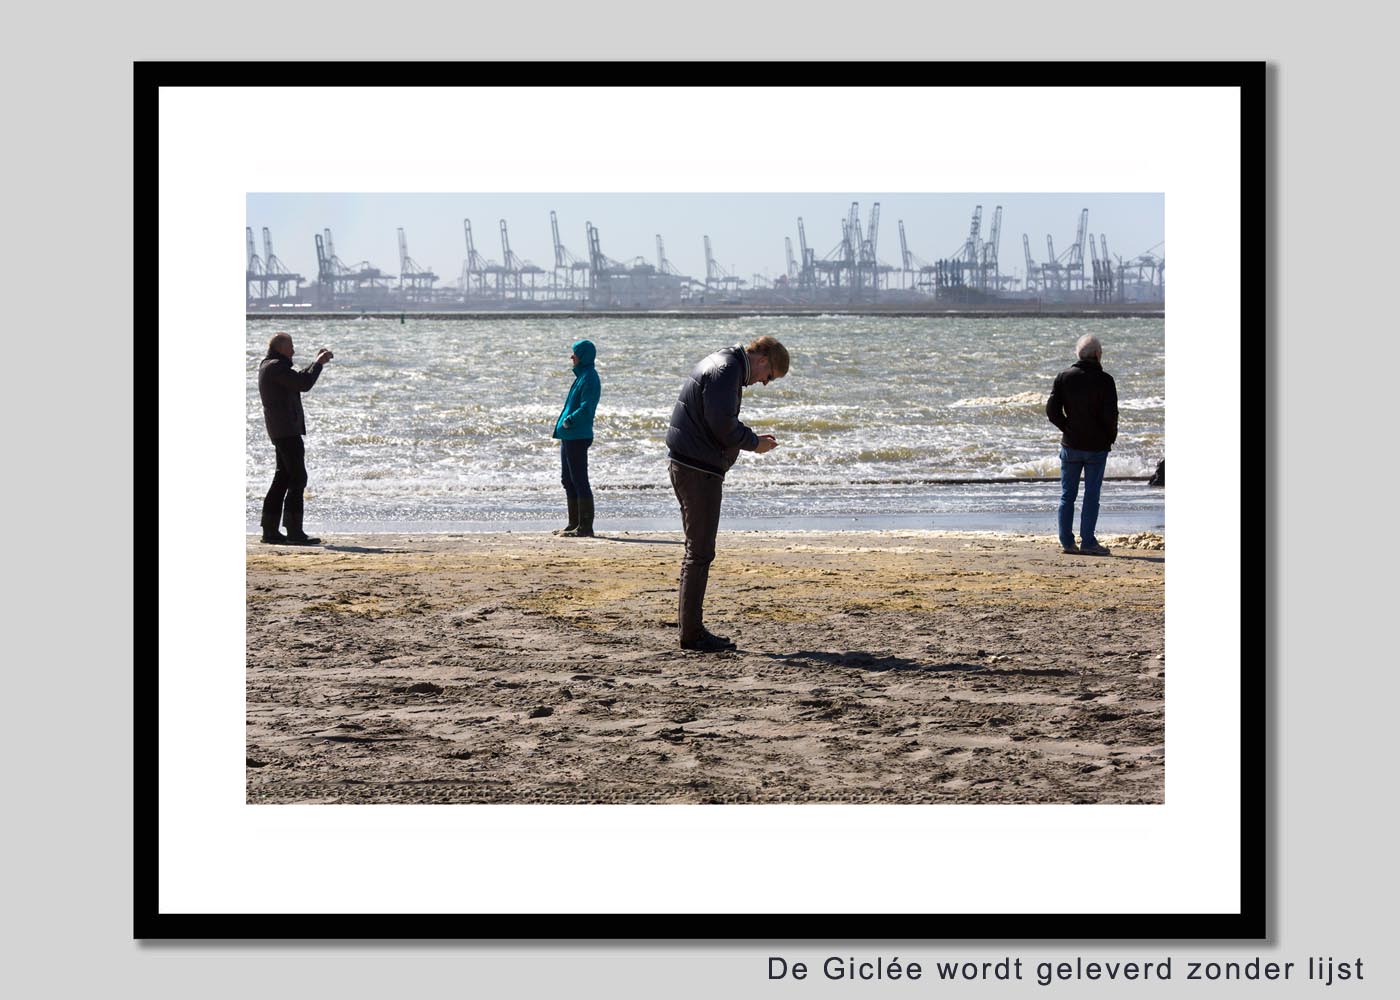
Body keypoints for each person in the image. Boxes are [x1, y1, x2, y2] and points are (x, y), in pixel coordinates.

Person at [666, 335, 789, 652]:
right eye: (769, 377)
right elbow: (722, 424)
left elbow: (719, 420)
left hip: (691, 464)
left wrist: (749, 437)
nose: (763, 383)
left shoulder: (724, 363)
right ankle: (692, 634)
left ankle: (690, 629)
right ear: (763, 360)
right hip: (698, 470)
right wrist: (754, 443)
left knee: (697, 550)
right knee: (700, 552)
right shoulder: (727, 370)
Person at [1046, 333, 1119, 556]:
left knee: (1067, 495)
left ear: (1079, 354)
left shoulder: (1064, 377)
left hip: (1071, 444)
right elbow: (1111, 416)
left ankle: (1067, 542)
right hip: (1096, 447)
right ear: (1097, 355)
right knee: (1091, 496)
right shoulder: (1105, 380)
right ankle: (1088, 542)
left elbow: (1052, 411)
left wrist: (1066, 427)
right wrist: (1109, 437)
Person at [257, 332, 333, 545]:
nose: (294, 350)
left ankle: (270, 530)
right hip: (286, 431)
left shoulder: (271, 365)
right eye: (291, 346)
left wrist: (314, 364)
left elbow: (298, 379)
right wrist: (318, 364)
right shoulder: (275, 367)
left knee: (282, 478)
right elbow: (304, 383)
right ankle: (293, 531)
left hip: (281, 430)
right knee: (298, 478)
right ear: (281, 348)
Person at [551, 339, 602, 538]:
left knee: (580, 480)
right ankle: (574, 523)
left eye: (575, 353)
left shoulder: (590, 377)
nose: (572, 357)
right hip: (568, 436)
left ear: (584, 356)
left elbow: (587, 407)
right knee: (567, 479)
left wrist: (569, 421)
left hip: (577, 435)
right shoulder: (581, 376)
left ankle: (585, 527)